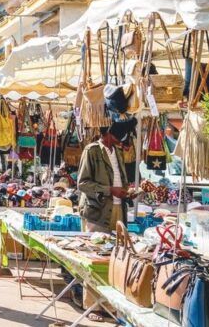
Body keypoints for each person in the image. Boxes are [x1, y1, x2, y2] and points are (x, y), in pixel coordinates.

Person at [77, 122, 133, 322]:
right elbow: (83, 183)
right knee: (94, 258)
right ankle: (92, 305)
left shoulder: (116, 151)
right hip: (98, 210)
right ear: (108, 134)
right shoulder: (91, 151)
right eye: (118, 137)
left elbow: (120, 178)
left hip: (118, 209)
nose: (121, 141)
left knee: (115, 259)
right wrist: (110, 190)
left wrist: (127, 191)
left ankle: (109, 304)